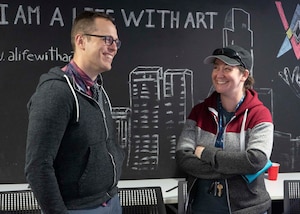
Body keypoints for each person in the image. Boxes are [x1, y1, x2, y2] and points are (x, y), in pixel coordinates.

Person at [25, 11, 124, 214]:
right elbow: (38, 166)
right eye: (106, 39)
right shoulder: (56, 93)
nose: (113, 47)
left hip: (110, 201)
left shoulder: (98, 90)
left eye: (115, 41)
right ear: (81, 41)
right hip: (79, 209)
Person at [176, 45, 273, 214]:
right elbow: (183, 158)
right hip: (202, 208)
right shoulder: (198, 112)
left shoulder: (259, 114)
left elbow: (256, 160)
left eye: (227, 68)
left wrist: (206, 153)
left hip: (247, 209)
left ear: (244, 75)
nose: (219, 74)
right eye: (216, 67)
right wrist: (235, 169)